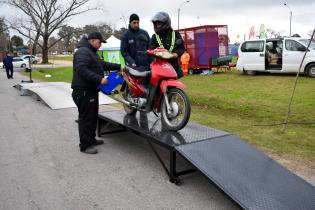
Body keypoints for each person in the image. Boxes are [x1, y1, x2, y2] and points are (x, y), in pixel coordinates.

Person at [71, 32, 124, 154]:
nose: (100, 45)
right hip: (83, 91)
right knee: (86, 118)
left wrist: (119, 66)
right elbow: (81, 69)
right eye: (99, 42)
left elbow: (103, 65)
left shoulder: (91, 52)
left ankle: (91, 139)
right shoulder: (83, 52)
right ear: (92, 41)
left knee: (93, 116)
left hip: (91, 90)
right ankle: (85, 145)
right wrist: (99, 79)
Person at [149, 12, 185, 78]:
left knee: (173, 87)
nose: (157, 26)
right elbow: (151, 48)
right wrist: (157, 52)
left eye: (159, 24)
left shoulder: (176, 34)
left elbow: (182, 48)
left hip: (174, 67)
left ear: (166, 23)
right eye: (156, 24)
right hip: (160, 67)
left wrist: (175, 54)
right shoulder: (154, 37)